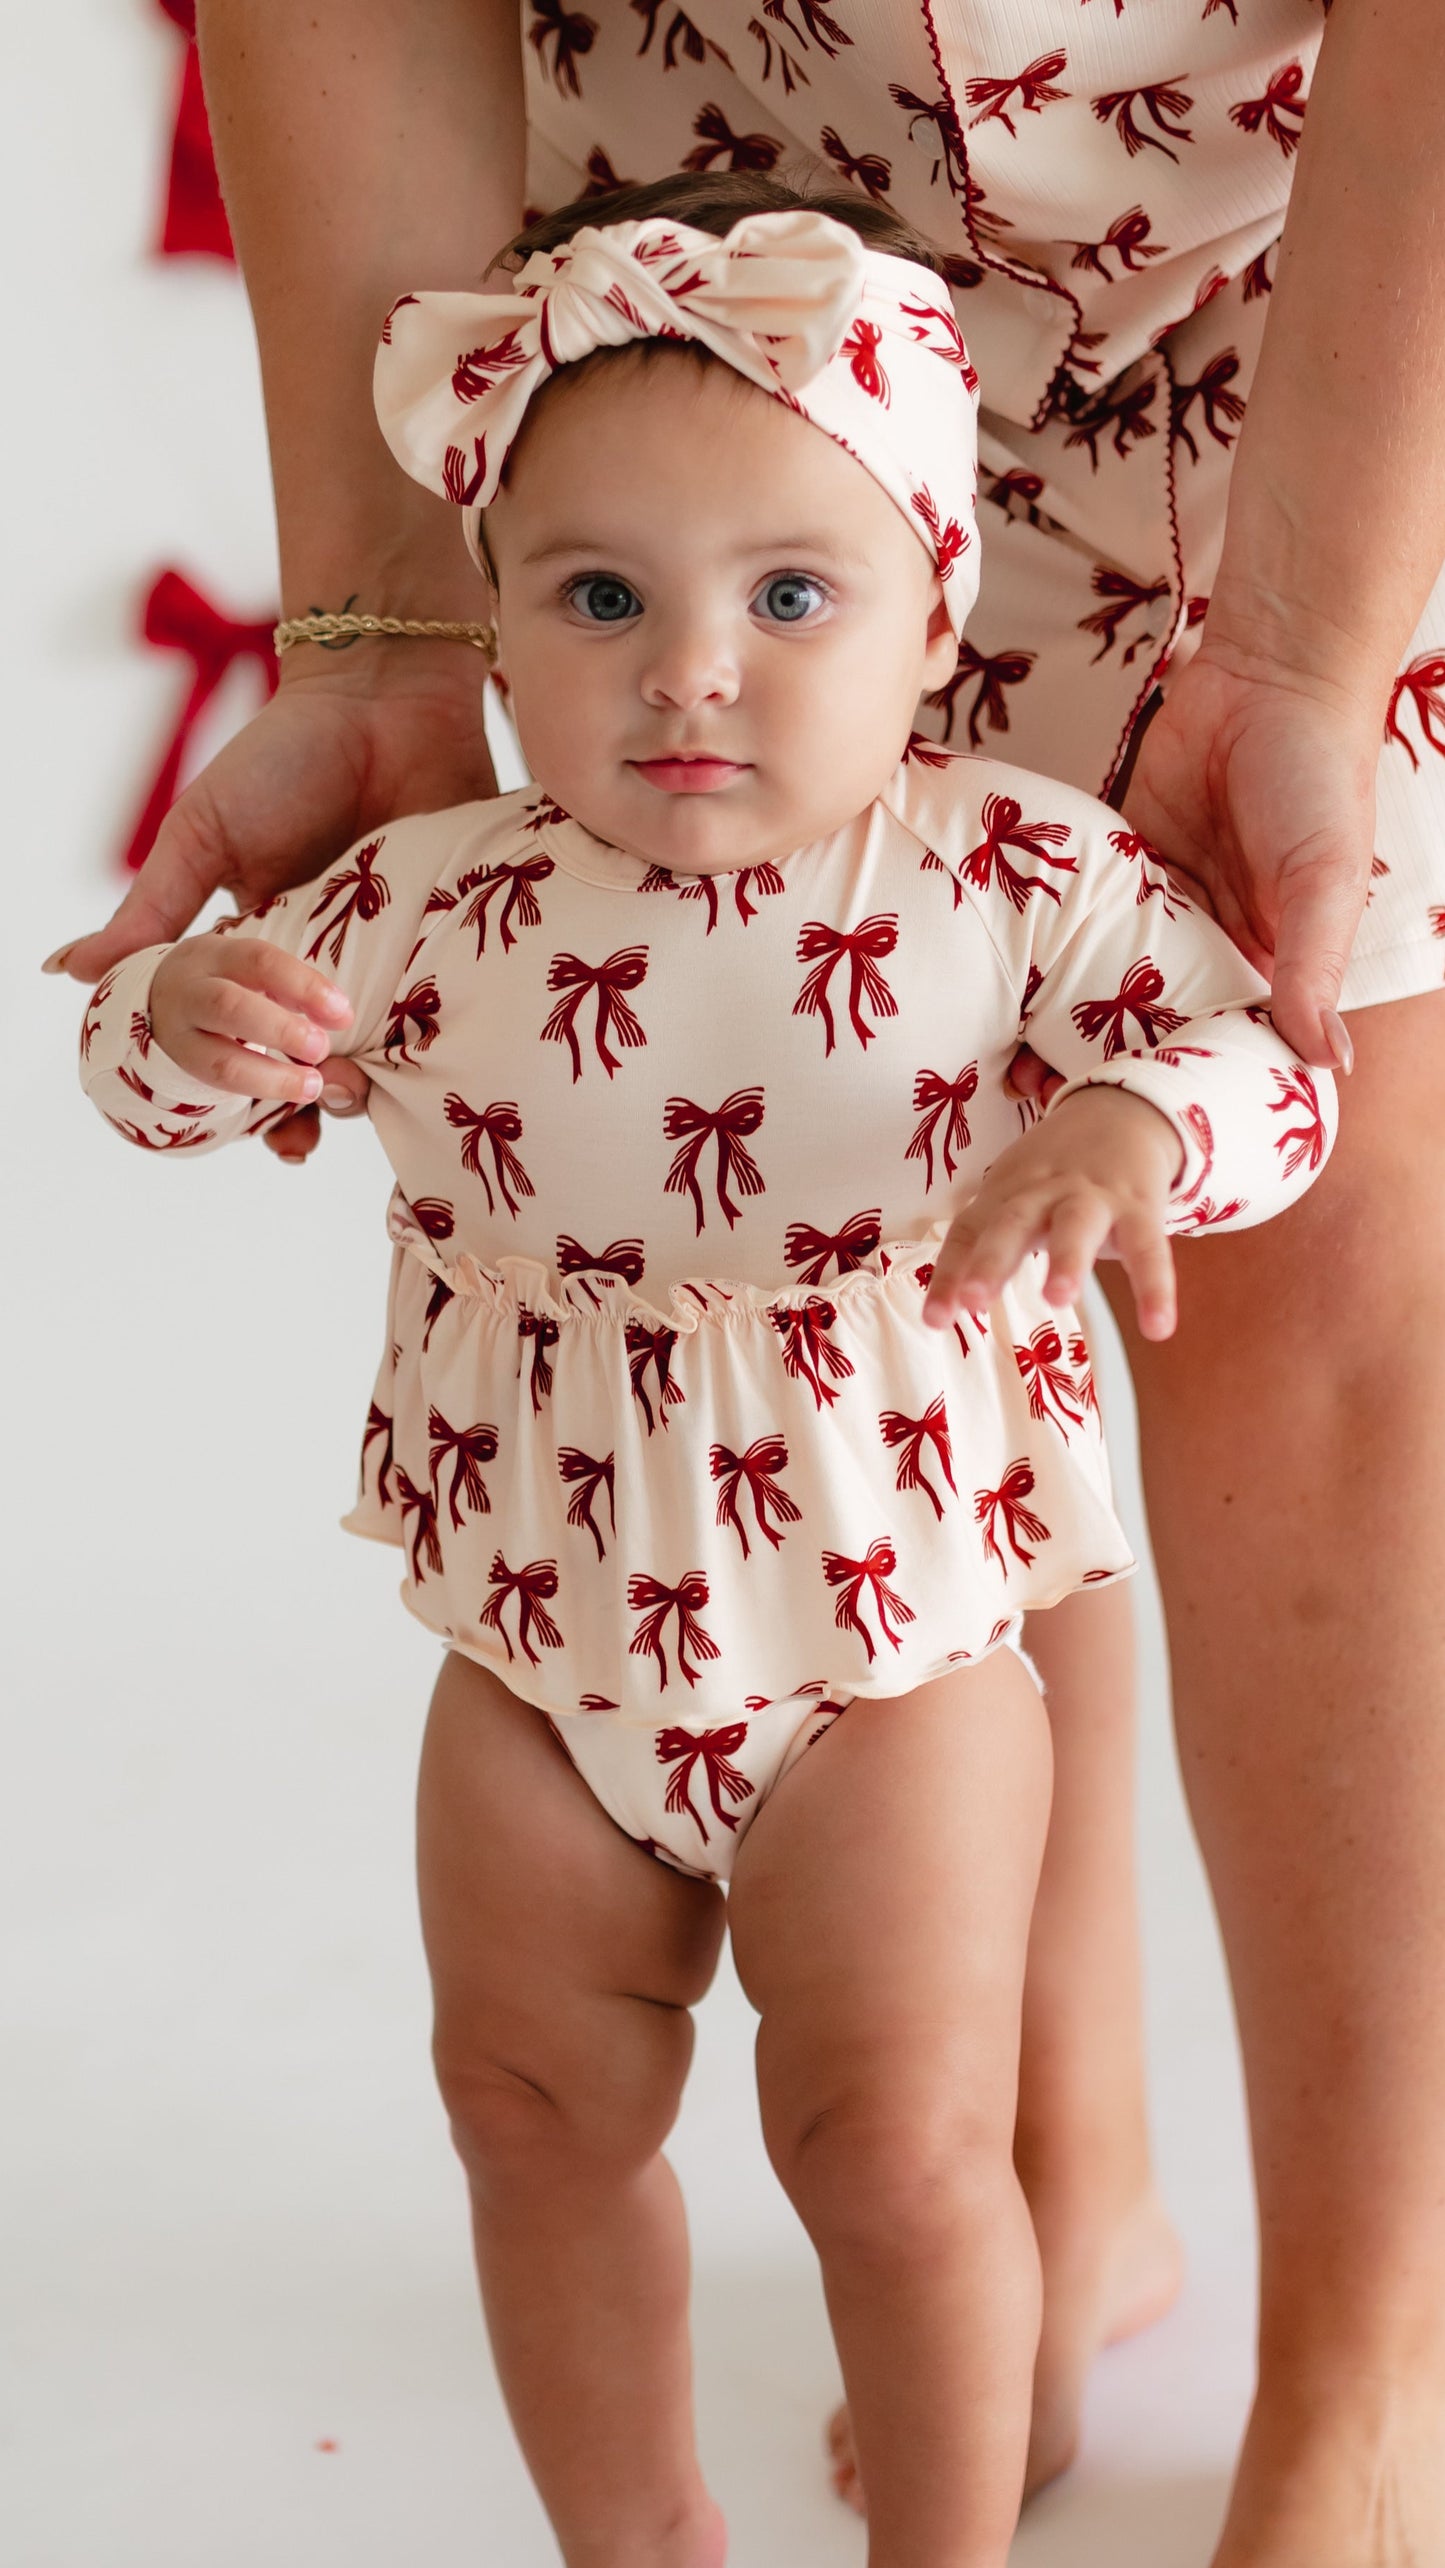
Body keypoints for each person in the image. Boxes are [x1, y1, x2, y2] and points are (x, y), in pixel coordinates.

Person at [42, 2, 1445, 2555]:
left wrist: (1149, 1080)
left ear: (929, 639)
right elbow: (172, 1075)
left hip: (1289, 252)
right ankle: (903, 2317)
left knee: (1254, 1326)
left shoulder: (1009, 882)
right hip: (693, 236)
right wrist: (204, 974)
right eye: (595, 612)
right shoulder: (465, 898)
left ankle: (1347, 2367)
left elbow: (1267, 1077)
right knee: (540, 2099)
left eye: (788, 615)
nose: (689, 680)